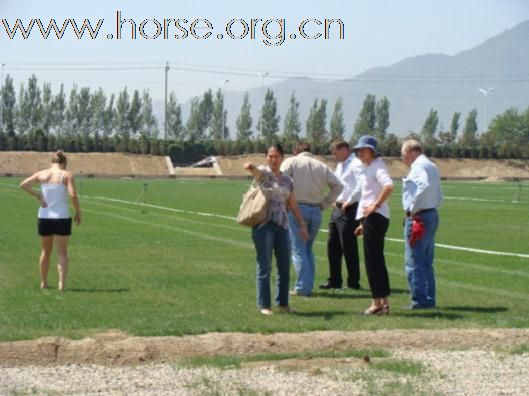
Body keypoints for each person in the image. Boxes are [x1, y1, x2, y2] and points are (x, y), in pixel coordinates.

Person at [244, 144, 309, 315]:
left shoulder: (288, 180)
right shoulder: (264, 175)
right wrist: (251, 167)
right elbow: (257, 173)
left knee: (284, 265)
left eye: (277, 156)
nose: (273, 160)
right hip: (264, 226)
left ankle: (283, 303)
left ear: (282, 158)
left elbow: (293, 204)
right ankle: (264, 305)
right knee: (264, 266)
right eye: (270, 156)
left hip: (282, 226)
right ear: (266, 158)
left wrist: (301, 224)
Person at [280, 141, 343, 296]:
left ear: (296, 151)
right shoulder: (321, 166)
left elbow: (280, 181)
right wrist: (325, 203)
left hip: (297, 208)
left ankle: (302, 287)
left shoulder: (291, 162)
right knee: (307, 249)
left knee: (298, 249)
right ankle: (307, 284)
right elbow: (338, 186)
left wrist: (283, 202)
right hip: (316, 209)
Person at [20, 151, 82, 291]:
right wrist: (78, 211)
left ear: (51, 162)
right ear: (64, 164)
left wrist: (38, 196)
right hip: (61, 217)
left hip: (44, 217)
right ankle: (61, 284)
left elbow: (23, 185)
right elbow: (72, 194)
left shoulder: (42, 173)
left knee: (45, 252)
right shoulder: (66, 174)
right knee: (62, 253)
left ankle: (44, 282)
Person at [352, 136, 394, 315]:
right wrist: (363, 222)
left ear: (372, 151)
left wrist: (375, 206)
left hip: (375, 217)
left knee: (372, 262)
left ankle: (376, 302)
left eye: (363, 149)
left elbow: (389, 186)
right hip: (372, 219)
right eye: (358, 150)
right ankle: (383, 302)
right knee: (377, 260)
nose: (359, 152)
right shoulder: (370, 167)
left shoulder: (377, 167)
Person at [401, 139, 443, 309]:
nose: (403, 159)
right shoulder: (431, 165)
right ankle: (429, 299)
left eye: (403, 154)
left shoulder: (418, 167)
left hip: (420, 217)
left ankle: (419, 300)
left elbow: (423, 186)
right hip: (432, 213)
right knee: (426, 261)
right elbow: (438, 191)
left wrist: (413, 209)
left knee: (413, 261)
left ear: (411, 152)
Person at [322, 139, 364, 290]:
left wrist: (350, 201)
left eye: (336, 152)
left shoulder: (356, 164)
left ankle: (353, 282)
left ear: (345, 149)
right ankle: (334, 280)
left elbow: (361, 185)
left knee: (348, 246)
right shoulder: (340, 165)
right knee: (332, 244)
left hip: (350, 208)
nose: (334, 156)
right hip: (338, 208)